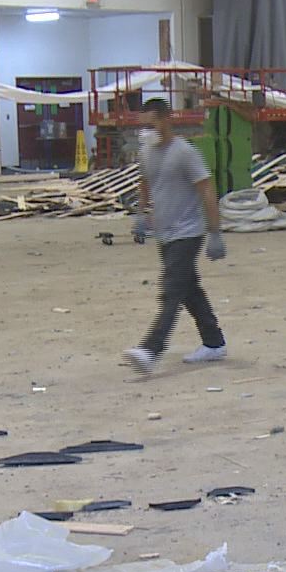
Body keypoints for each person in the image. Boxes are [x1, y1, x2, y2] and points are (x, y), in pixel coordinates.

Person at [125, 100, 226, 373]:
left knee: (171, 290)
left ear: (166, 119)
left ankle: (150, 350)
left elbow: (206, 189)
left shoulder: (184, 153)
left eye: (151, 124)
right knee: (189, 289)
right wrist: (141, 214)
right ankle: (214, 342)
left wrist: (214, 232)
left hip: (188, 232)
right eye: (142, 126)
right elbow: (146, 182)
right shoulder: (147, 152)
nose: (146, 131)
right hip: (164, 233)